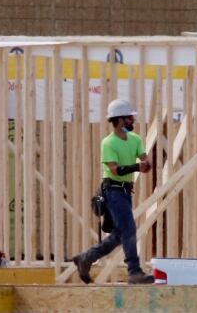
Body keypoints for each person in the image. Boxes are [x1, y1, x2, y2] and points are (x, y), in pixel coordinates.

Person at [72, 99, 155, 284]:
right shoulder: (108, 143)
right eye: (129, 119)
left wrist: (146, 163)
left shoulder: (135, 139)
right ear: (118, 120)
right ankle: (134, 271)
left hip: (125, 191)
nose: (132, 122)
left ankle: (86, 258)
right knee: (129, 229)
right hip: (112, 191)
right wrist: (137, 167)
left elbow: (144, 158)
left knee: (120, 234)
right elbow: (115, 169)